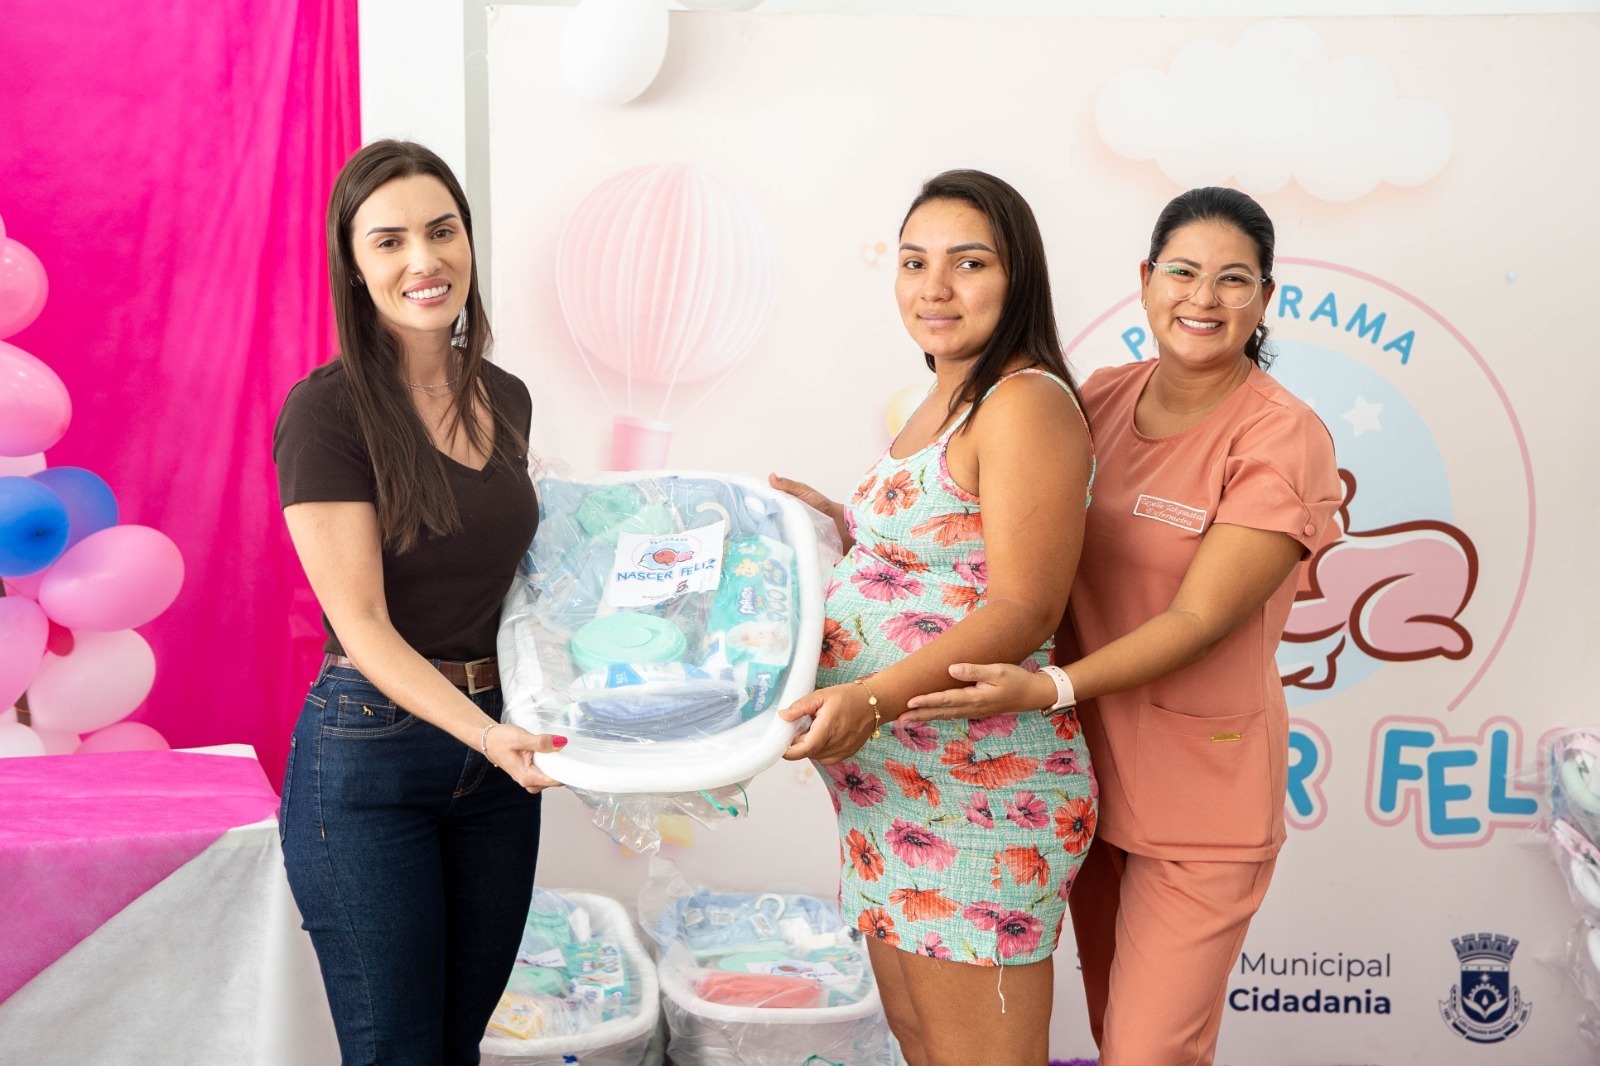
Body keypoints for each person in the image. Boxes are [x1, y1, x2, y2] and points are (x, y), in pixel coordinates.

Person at [901, 186, 1343, 1066]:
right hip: (1078, 777)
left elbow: (1199, 618)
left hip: (1199, 801)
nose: (1202, 298)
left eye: (1233, 280)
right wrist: (863, 531)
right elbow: (1002, 538)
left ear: (1265, 298)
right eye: (1181, 272)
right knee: (1112, 1031)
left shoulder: (1282, 436)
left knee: (1149, 1054)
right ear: (1145, 280)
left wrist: (1051, 686)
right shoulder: (1097, 398)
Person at [770, 169, 1096, 1066]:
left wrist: (871, 698)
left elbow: (1024, 605)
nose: (935, 287)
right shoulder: (947, 396)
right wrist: (842, 531)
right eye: (915, 262)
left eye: (969, 263)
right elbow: (949, 557)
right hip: (894, 793)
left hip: (978, 796)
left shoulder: (1025, 401)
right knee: (922, 1043)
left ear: (1017, 276)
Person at [272, 139, 564, 1066]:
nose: (423, 260)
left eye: (442, 232)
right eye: (389, 241)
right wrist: (486, 734)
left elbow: (522, 580)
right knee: (400, 1053)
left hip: (498, 753)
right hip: (372, 756)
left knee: (457, 1046)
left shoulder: (505, 397)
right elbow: (361, 624)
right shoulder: (326, 413)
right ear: (354, 268)